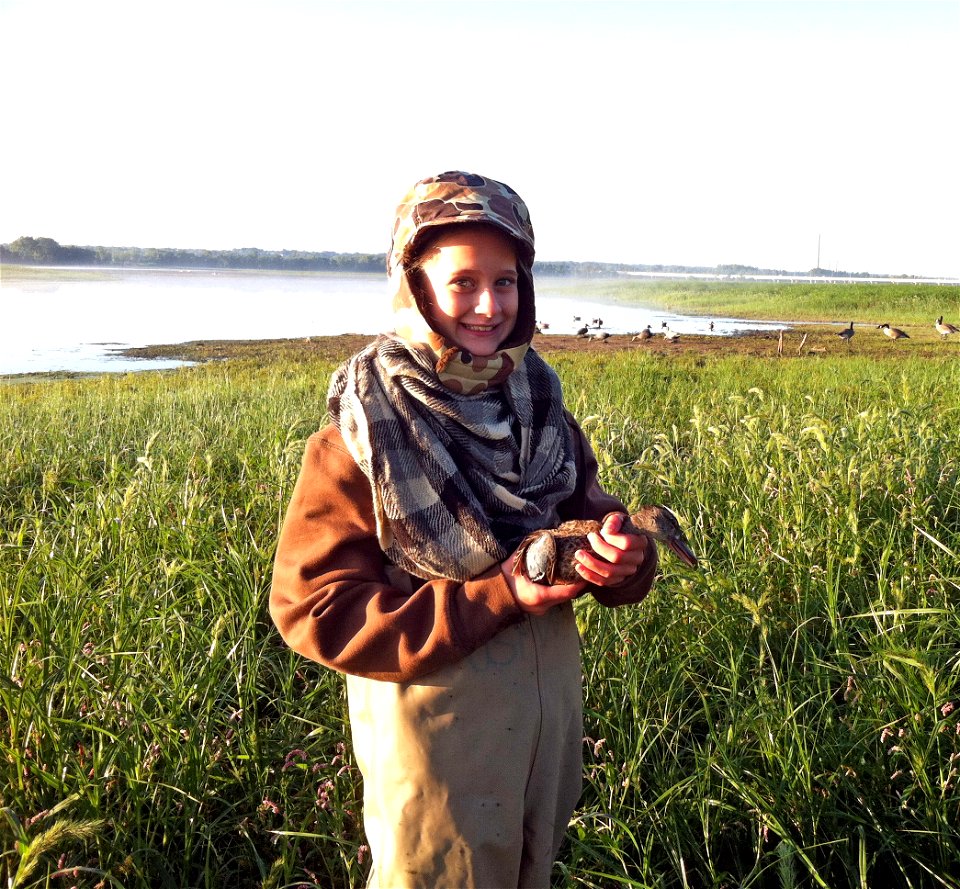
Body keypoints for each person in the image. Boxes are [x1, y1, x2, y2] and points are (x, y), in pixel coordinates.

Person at [270, 171, 659, 888]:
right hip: (436, 749)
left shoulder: (539, 402)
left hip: (542, 736)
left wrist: (623, 560)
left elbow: (589, 513)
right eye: (462, 283)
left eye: (506, 281)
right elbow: (311, 608)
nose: (489, 306)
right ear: (414, 285)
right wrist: (500, 595)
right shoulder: (365, 431)